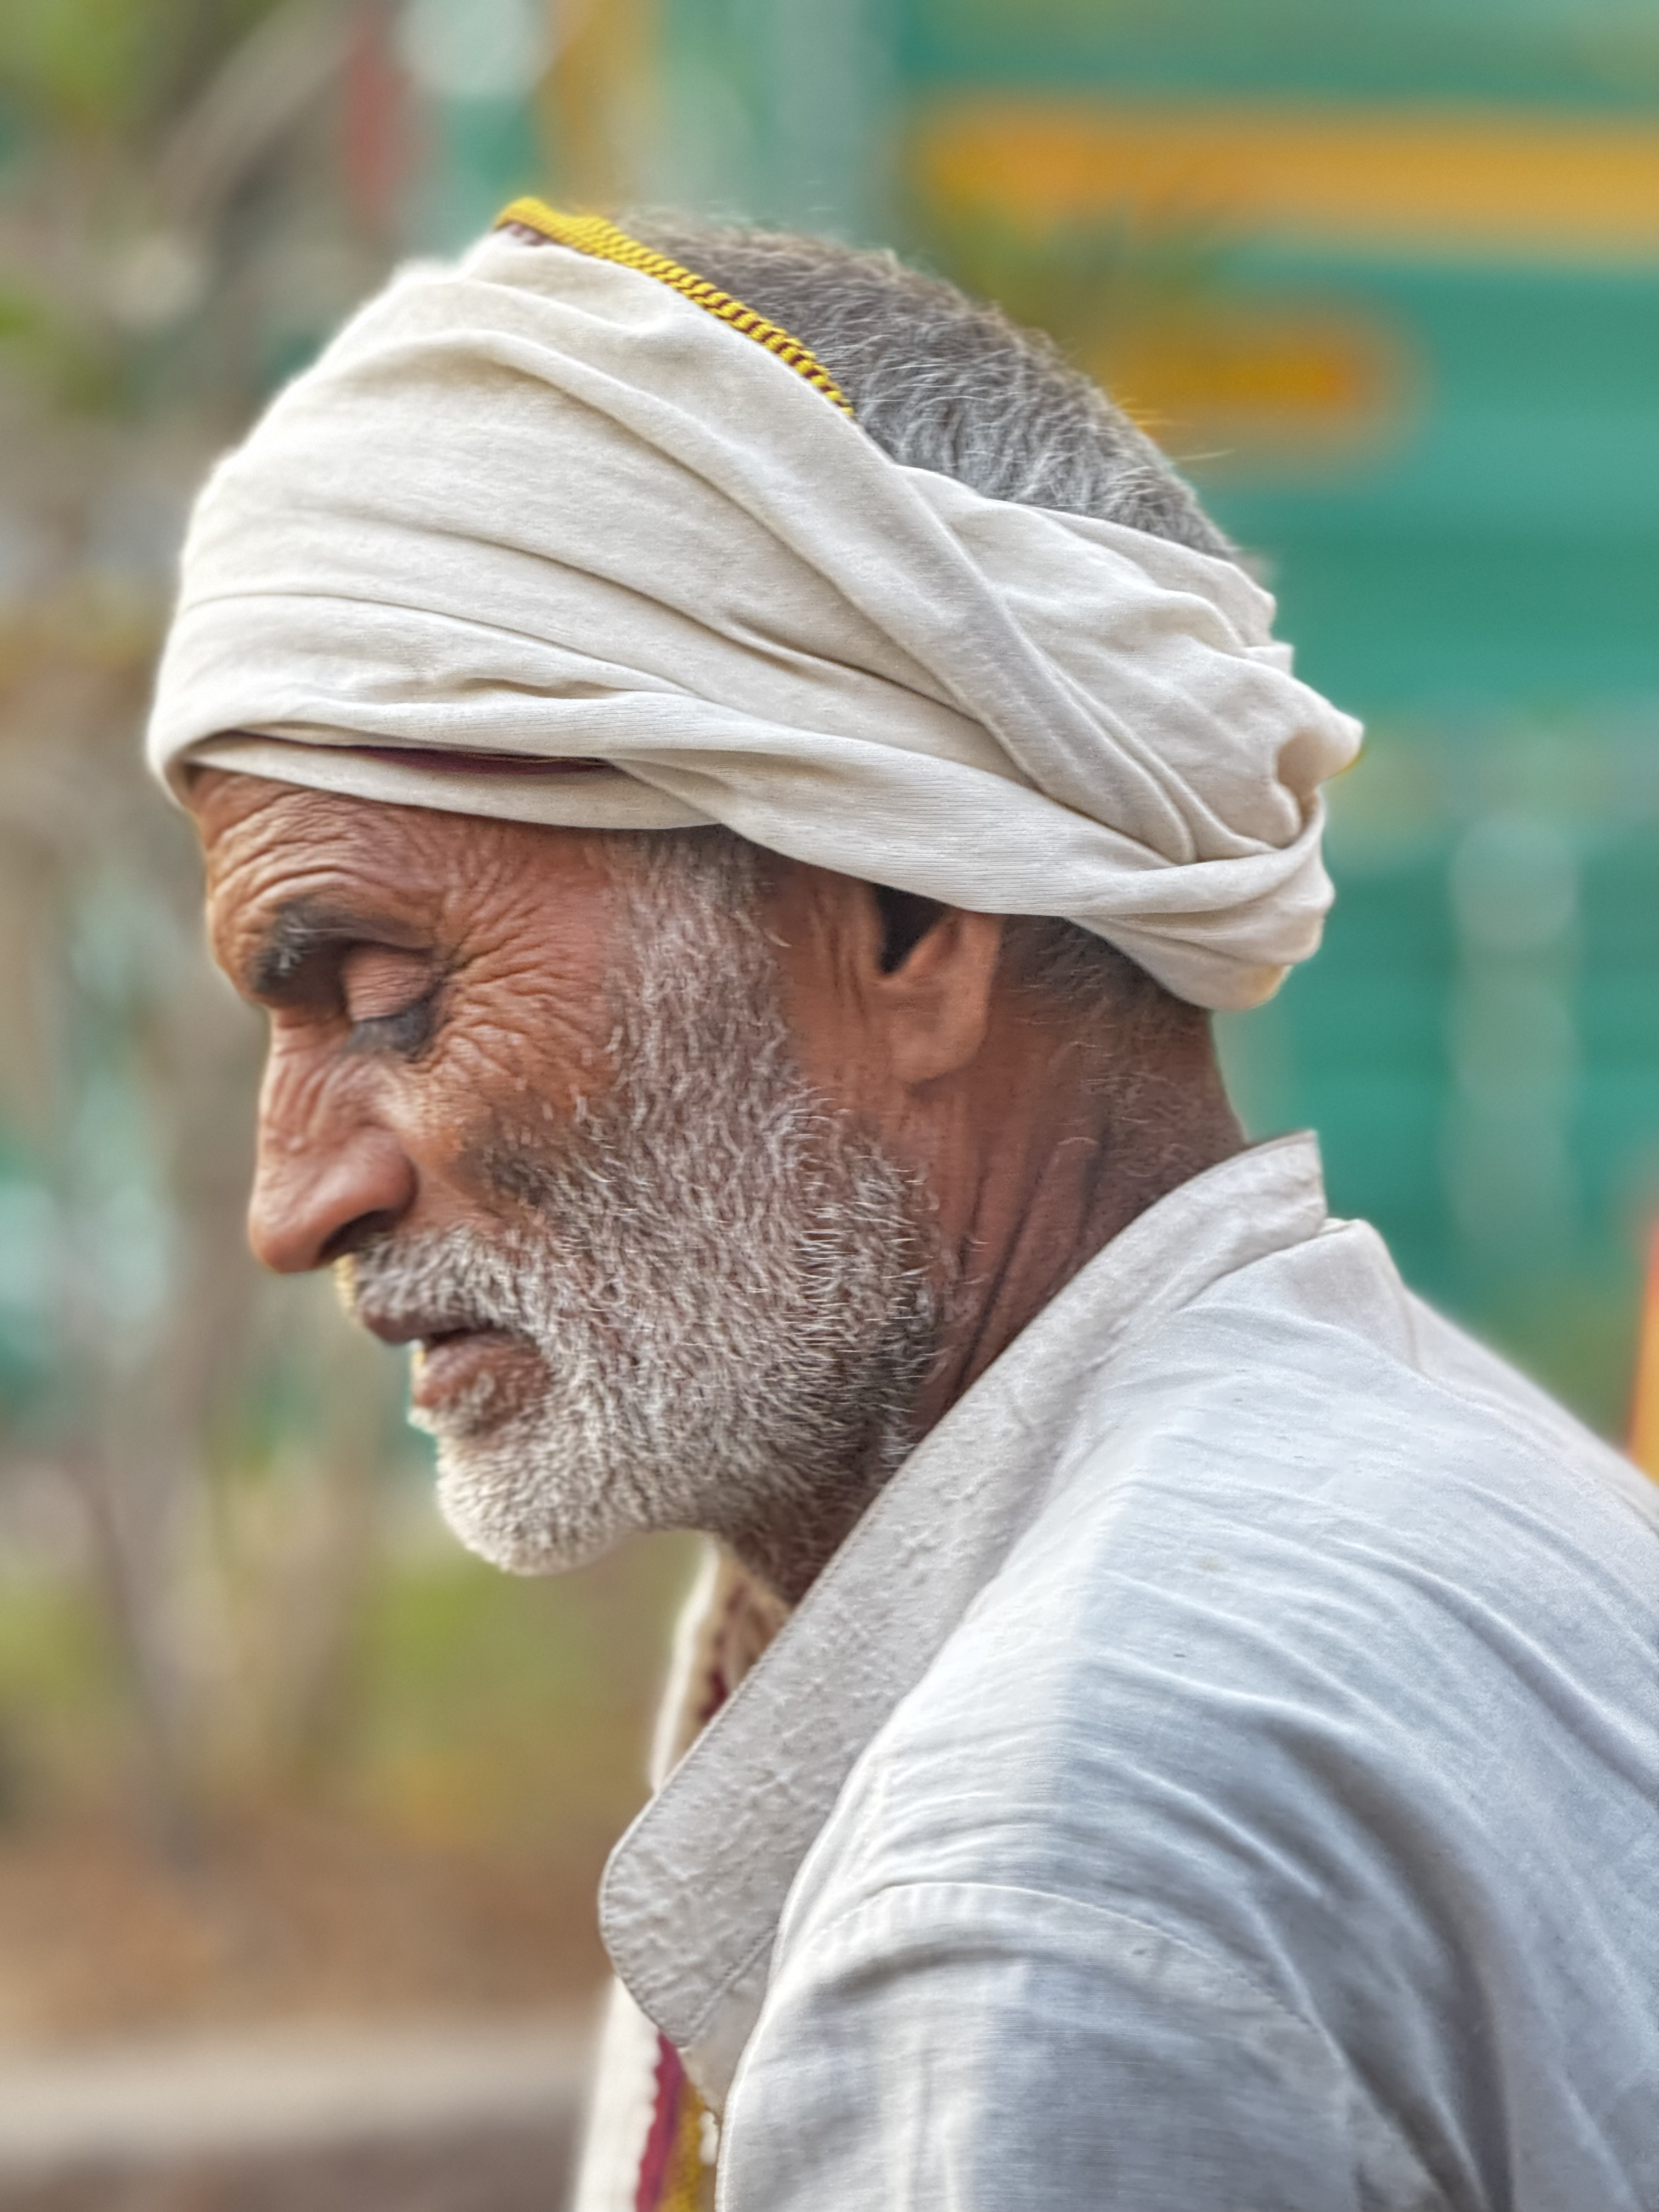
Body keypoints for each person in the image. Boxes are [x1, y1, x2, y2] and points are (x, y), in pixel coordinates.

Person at [146, 203, 1659, 2211]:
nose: (296, 1197)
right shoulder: (1417, 1473)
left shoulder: (1046, 1886)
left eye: (387, 994)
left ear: (907, 915)